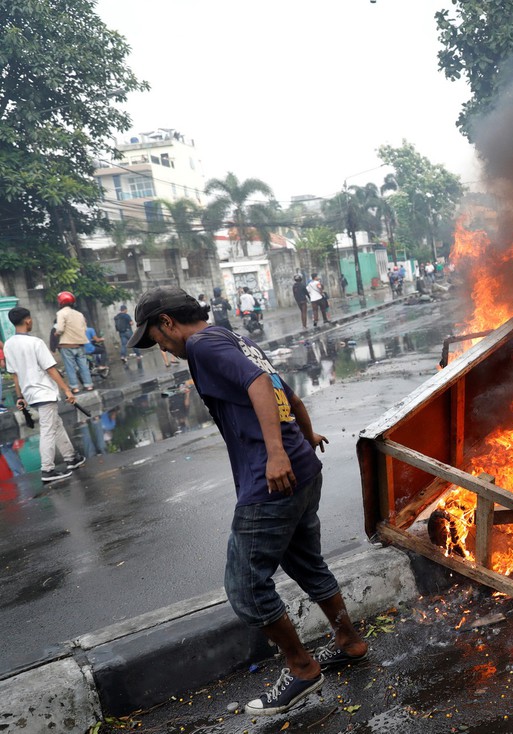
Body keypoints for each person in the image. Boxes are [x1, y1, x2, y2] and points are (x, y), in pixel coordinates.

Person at [127, 286, 368, 716]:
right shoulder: (232, 337)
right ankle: (349, 641)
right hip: (303, 470)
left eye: (157, 339)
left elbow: (259, 384)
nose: (162, 349)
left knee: (245, 586)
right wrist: (305, 436)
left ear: (167, 322)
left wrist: (276, 452)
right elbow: (285, 393)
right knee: (307, 564)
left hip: (272, 480)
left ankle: (301, 669)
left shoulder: (201, 344)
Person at [6, 307, 85, 483]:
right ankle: (47, 470)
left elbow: (15, 374)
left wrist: (20, 397)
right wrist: (66, 389)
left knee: (56, 424)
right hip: (43, 392)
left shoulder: (9, 344)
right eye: (31, 319)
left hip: (30, 393)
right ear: (27, 321)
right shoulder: (35, 342)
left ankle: (71, 458)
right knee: (49, 430)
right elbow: (51, 369)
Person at [53, 291, 94, 393]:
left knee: (70, 367)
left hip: (67, 345)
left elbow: (60, 329)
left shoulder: (61, 313)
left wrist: (56, 333)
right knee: (83, 365)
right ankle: (88, 385)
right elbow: (84, 328)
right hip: (80, 344)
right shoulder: (79, 314)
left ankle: (75, 387)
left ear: (61, 302)